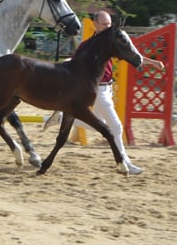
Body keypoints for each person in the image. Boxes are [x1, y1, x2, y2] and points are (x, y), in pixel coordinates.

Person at [43, 10, 165, 175]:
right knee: (116, 126)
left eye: (109, 24)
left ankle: (60, 118)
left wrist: (152, 63)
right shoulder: (88, 45)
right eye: (104, 24)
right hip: (96, 90)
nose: (108, 27)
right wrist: (67, 61)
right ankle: (125, 163)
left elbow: (130, 53)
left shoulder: (110, 42)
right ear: (95, 25)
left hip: (108, 89)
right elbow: (75, 60)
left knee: (99, 124)